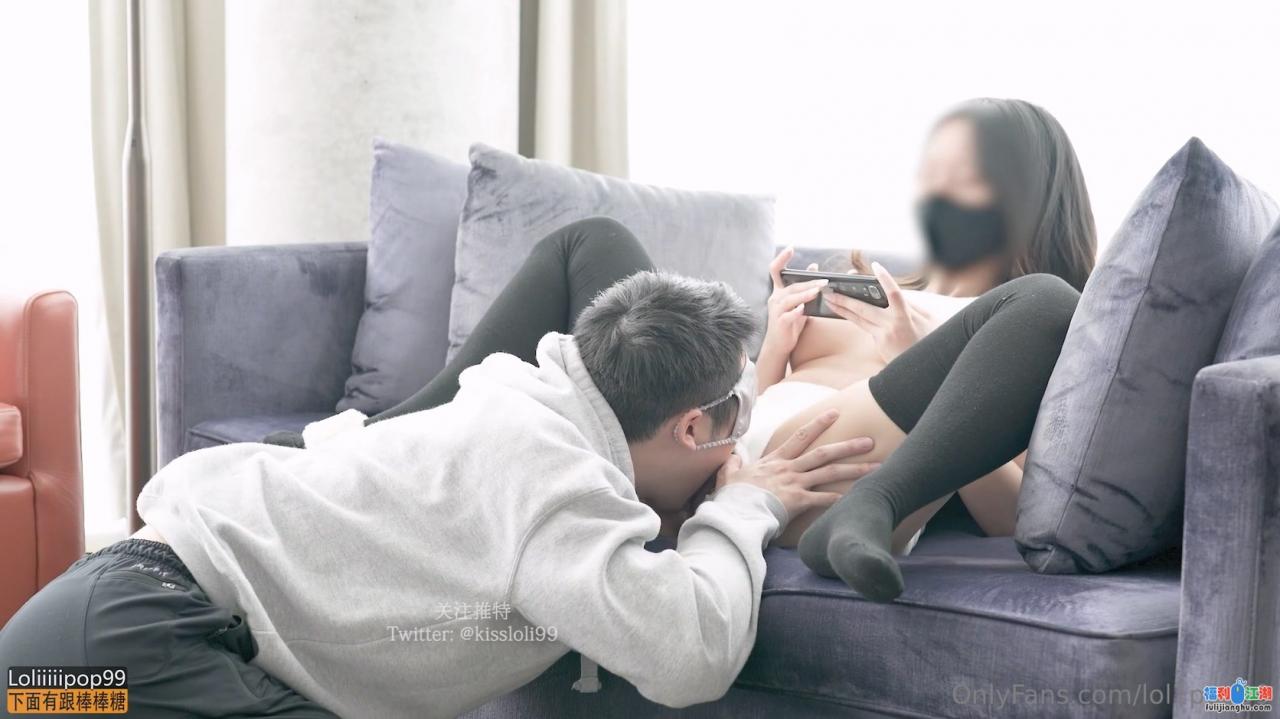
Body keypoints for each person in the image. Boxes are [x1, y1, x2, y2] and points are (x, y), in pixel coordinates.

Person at [286, 96, 1095, 601]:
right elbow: (757, 405)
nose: (939, 198)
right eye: (933, 175)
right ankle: (379, 432)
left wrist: (915, 359)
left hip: (824, 471)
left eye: (968, 181)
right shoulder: (863, 280)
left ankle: (872, 508)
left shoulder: (1037, 325)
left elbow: (1012, 512)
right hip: (706, 441)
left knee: (1044, 301)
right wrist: (772, 349)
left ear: (1030, 199)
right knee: (590, 242)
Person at [0, 266, 877, 717]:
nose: (735, 446)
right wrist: (745, 502)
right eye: (733, 422)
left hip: (61, 645)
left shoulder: (517, 397)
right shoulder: (552, 478)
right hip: (130, 655)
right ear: (691, 428)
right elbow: (692, 653)